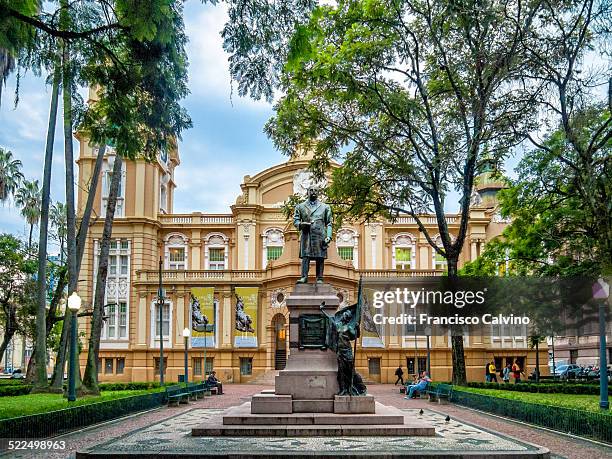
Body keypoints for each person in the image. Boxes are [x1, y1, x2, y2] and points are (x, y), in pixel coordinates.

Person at [293, 187, 333, 284]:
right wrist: (300, 225)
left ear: (318, 193)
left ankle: (319, 277)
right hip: (307, 234)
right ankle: (304, 277)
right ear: (307, 192)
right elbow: (296, 220)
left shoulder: (325, 207)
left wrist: (329, 236)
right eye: (311, 190)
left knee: (320, 257)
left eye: (315, 190)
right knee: (306, 256)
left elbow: (329, 223)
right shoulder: (300, 206)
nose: (313, 192)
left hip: (320, 235)